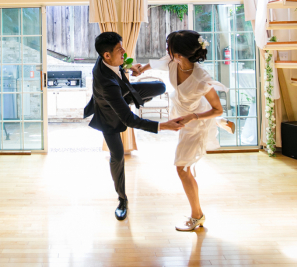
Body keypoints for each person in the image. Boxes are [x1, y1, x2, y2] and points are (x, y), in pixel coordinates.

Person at [134, 30, 235, 232]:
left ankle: (197, 215)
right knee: (184, 168)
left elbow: (217, 107)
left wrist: (193, 117)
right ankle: (219, 123)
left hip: (195, 123)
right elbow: (158, 62)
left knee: (182, 168)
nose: (166, 50)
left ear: (180, 54)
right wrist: (140, 70)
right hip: (182, 114)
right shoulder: (173, 62)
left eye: (169, 47)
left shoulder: (201, 79)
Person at [84, 32, 184, 221]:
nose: (124, 50)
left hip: (123, 94)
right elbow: (130, 120)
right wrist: (163, 126)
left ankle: (131, 100)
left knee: (160, 87)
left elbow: (119, 63)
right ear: (107, 55)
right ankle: (122, 199)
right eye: (119, 49)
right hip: (108, 116)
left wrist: (130, 66)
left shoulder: (106, 58)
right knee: (118, 156)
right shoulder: (106, 84)